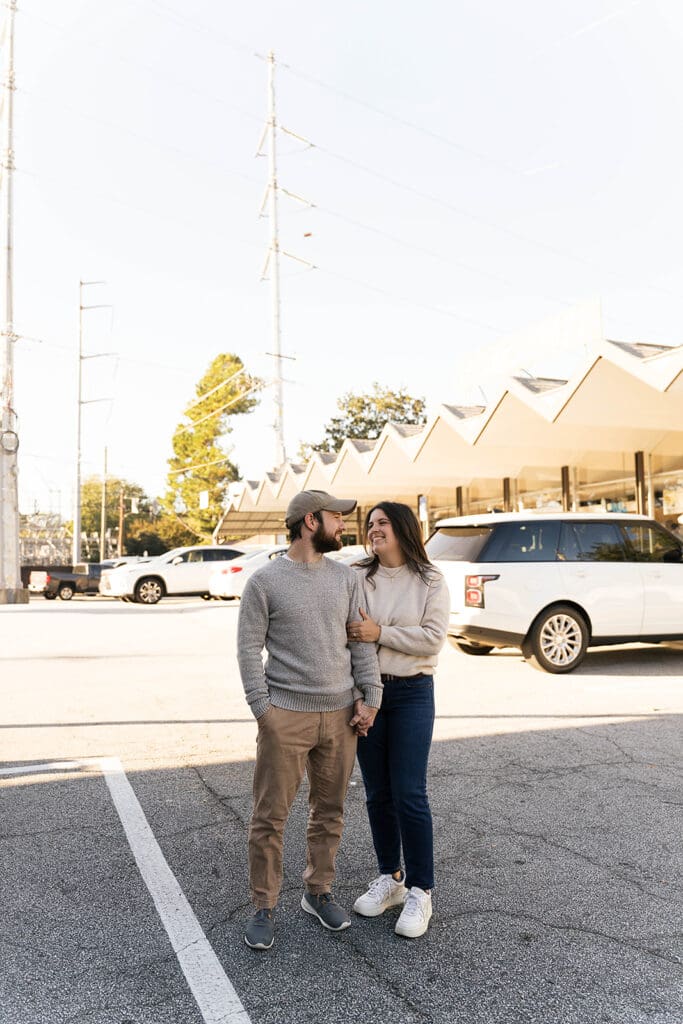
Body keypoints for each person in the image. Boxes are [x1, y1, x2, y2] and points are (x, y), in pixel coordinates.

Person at [237, 489, 383, 951]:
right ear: (308, 522)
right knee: (270, 816)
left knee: (330, 812)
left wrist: (370, 697)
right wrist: (264, 710)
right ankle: (264, 905)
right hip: (286, 716)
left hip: (340, 717)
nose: (342, 526)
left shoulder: (346, 579)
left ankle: (318, 892)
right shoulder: (265, 582)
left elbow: (360, 643)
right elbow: (247, 648)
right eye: (335, 518)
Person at [347, 502, 450, 939]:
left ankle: (421, 891)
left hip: (411, 694)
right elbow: (350, 637)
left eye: (382, 523)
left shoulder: (430, 580)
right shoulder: (358, 576)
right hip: (370, 695)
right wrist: (360, 695)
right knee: (378, 793)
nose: (374, 530)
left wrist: (381, 633)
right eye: (370, 524)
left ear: (405, 528)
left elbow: (432, 641)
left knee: (409, 792)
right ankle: (390, 878)